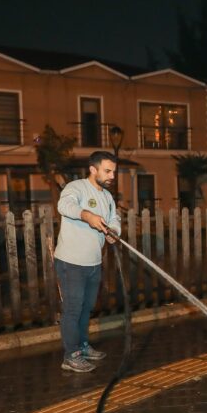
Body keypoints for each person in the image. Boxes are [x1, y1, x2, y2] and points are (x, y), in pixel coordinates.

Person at [54, 151, 121, 373]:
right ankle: (70, 355)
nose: (112, 175)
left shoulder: (108, 197)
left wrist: (114, 232)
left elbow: (114, 219)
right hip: (71, 262)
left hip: (93, 262)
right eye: (107, 171)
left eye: (114, 171)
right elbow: (64, 206)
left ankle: (82, 346)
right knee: (73, 309)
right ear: (93, 169)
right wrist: (87, 216)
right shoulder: (76, 188)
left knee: (86, 308)